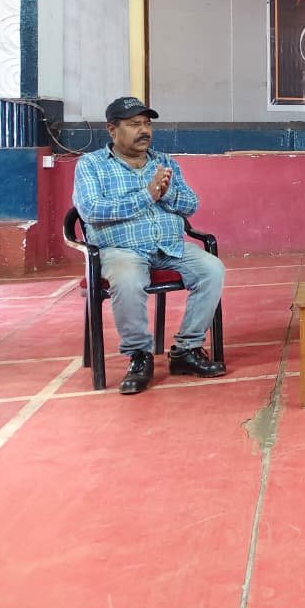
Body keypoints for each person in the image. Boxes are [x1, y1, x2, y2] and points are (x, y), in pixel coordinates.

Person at [72, 96, 227, 395]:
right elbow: (91, 210)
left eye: (147, 124)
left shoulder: (164, 162)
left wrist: (166, 194)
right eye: (134, 125)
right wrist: (147, 195)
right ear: (112, 130)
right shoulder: (91, 165)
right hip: (121, 250)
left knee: (212, 269)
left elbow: (191, 204)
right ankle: (139, 355)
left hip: (169, 247)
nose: (144, 130)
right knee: (128, 280)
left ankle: (186, 350)